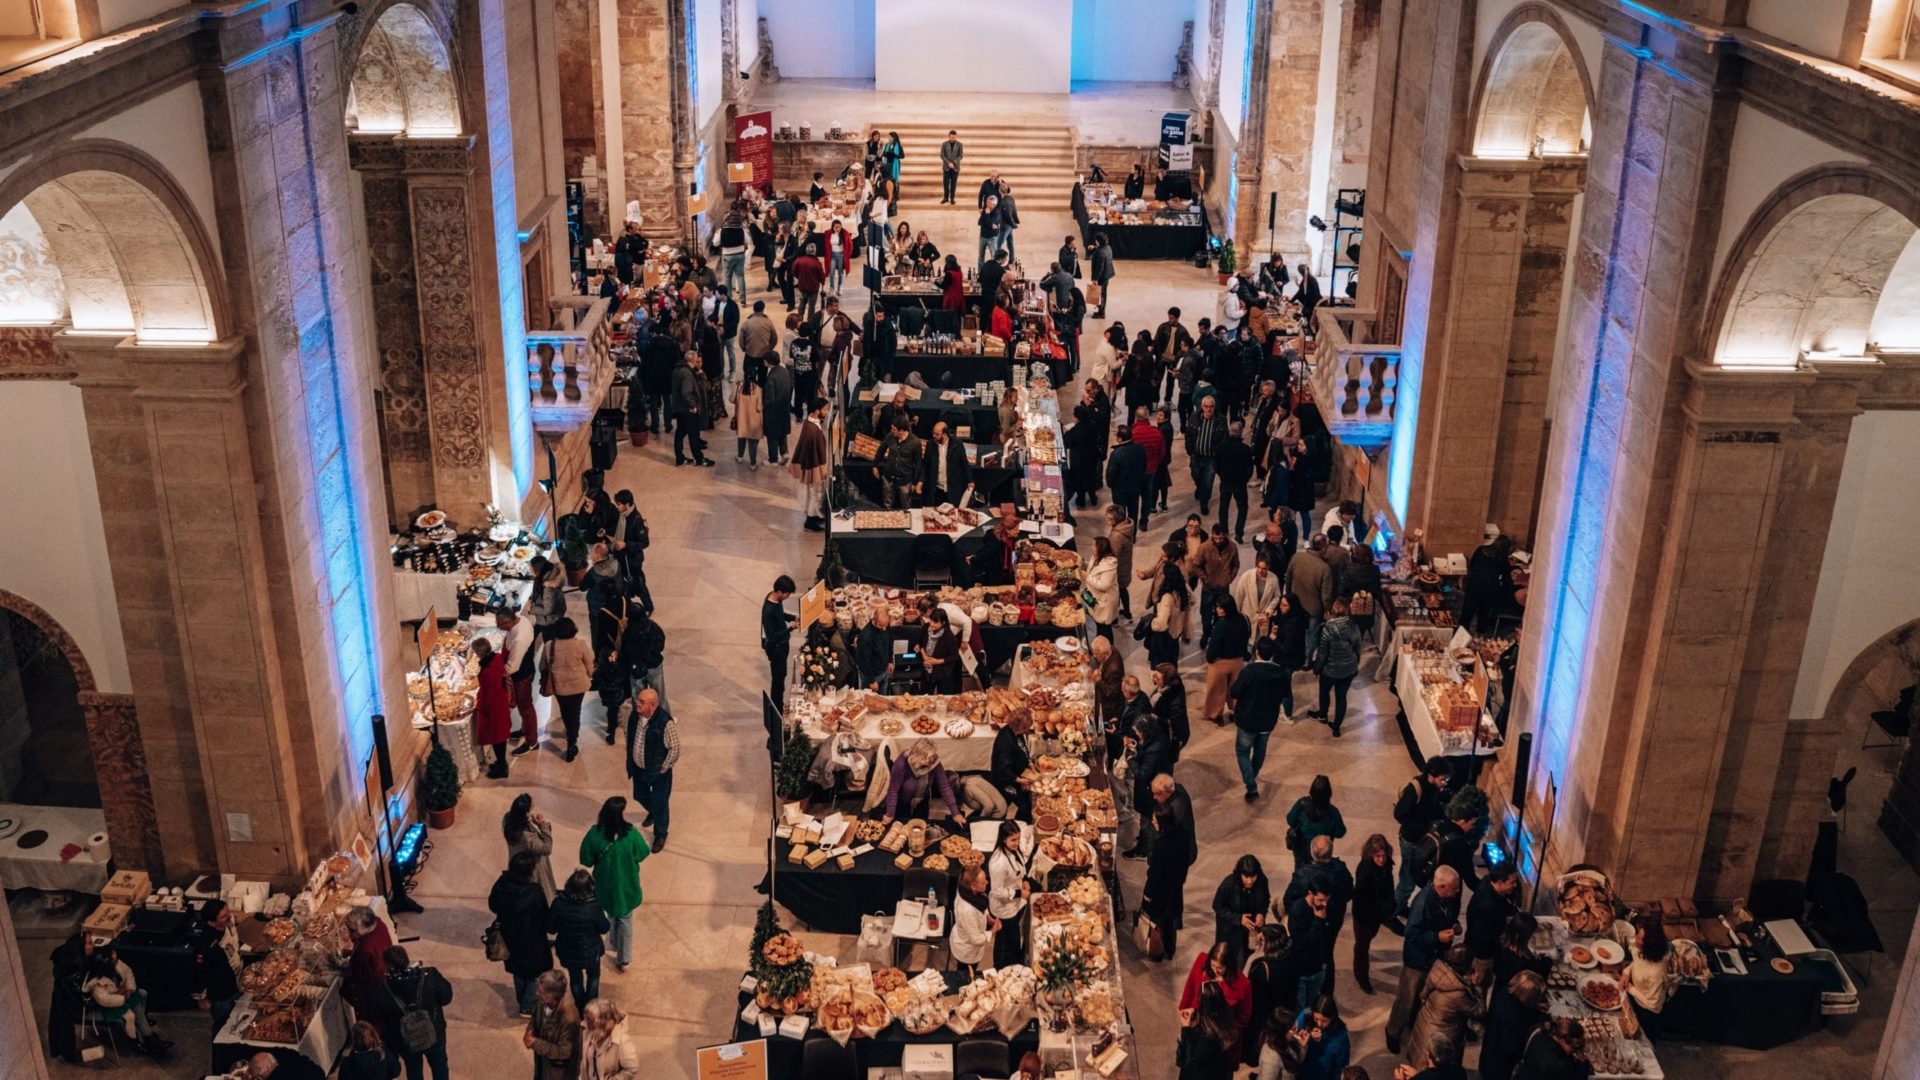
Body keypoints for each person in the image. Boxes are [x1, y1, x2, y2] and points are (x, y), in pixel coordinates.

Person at [1387, 865, 1464, 1053]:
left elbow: (1449, 916)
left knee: (1421, 996)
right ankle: (1393, 1032)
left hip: (1434, 957)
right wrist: (1436, 937)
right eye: (1455, 888)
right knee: (1406, 999)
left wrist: (1454, 924)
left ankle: (1412, 1023)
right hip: (1417, 961)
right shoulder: (1421, 904)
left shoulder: (1449, 898)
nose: (1458, 891)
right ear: (1442, 886)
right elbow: (1411, 934)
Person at [579, 795, 651, 973]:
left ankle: (613, 941)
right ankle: (624, 958)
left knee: (610, 914)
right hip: (627, 885)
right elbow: (642, 853)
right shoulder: (631, 834)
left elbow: (586, 859)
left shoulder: (594, 834)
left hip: (604, 885)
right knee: (625, 920)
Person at [488, 850, 553, 1016]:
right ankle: (527, 1005)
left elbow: (493, 905)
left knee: (517, 969)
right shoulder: (535, 891)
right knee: (535, 973)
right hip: (533, 939)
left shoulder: (502, 884)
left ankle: (521, 999)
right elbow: (544, 916)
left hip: (509, 936)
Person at [1225, 637, 1287, 799]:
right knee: (1260, 750)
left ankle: (1251, 785)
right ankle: (1253, 773)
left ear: (1257, 653)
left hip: (1247, 719)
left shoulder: (1249, 671)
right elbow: (1286, 694)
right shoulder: (1281, 672)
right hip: (1268, 720)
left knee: (1242, 751)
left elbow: (1235, 692)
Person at [1404, 943, 1482, 1070]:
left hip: (1425, 1025)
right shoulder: (1458, 994)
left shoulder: (1438, 969)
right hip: (1441, 1035)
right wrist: (1476, 986)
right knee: (1429, 1070)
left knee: (1418, 1060)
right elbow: (1479, 1011)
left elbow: (1423, 995)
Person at [82, 944, 169, 1055]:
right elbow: (104, 999)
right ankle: (136, 1043)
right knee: (130, 1016)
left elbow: (128, 973)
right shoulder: (97, 980)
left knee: (142, 994)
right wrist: (122, 997)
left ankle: (148, 1033)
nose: (114, 955)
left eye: (113, 952)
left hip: (124, 994)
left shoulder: (118, 964)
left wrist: (129, 989)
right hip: (111, 1005)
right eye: (111, 954)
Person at [382, 945, 452, 1080]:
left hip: (406, 1041)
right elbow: (446, 997)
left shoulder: (384, 989)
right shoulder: (430, 976)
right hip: (434, 1032)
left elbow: (386, 1022)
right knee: (440, 1066)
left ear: (389, 966)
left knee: (414, 1070)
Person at [1393, 762, 1451, 919]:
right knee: (1407, 879)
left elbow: (1432, 809)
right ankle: (1393, 913)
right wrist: (1422, 830)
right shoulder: (1416, 788)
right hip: (1411, 841)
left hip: (1422, 840)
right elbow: (1399, 814)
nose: (1445, 783)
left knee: (1413, 876)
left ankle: (1400, 905)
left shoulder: (1434, 789)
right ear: (1431, 776)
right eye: (1442, 779)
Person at [623, 689, 679, 850]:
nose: (637, 704)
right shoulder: (635, 716)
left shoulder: (664, 723)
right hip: (639, 767)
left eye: (641, 702)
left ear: (652, 705)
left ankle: (661, 833)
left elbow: (674, 747)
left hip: (658, 771)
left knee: (660, 802)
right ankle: (654, 812)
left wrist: (664, 766)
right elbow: (628, 732)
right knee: (639, 795)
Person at [547, 868, 611, 1010]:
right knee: (593, 978)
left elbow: (550, 928)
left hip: (568, 951)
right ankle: (591, 1007)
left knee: (575, 979)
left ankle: (581, 1006)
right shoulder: (594, 906)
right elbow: (604, 928)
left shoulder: (559, 903)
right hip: (591, 951)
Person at [1141, 801, 1192, 959]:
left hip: (1161, 892)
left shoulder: (1160, 846)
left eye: (1155, 821)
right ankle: (1170, 949)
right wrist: (1182, 877)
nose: (1153, 823)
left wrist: (1147, 894)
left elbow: (1155, 874)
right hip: (1175, 887)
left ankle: (1157, 952)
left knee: (1158, 922)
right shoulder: (1182, 834)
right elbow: (1186, 859)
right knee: (1171, 921)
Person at [540, 618, 595, 762]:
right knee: (575, 711)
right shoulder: (580, 644)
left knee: (565, 710)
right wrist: (589, 676)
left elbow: (543, 667)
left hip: (559, 686)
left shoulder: (549, 645)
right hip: (578, 685)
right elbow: (589, 664)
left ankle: (569, 729)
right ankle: (572, 741)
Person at [1349, 834, 1396, 995]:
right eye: (1377, 856)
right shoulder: (1364, 870)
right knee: (1362, 947)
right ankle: (1361, 976)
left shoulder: (1386, 865)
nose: (1381, 860)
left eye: (1383, 856)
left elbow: (1388, 886)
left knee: (1368, 939)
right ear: (1370, 855)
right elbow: (1361, 896)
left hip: (1377, 914)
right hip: (1364, 915)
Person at [1308, 598, 1363, 736]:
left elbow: (1323, 653)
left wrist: (1316, 669)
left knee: (1324, 692)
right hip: (1348, 668)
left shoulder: (1328, 628)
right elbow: (1358, 647)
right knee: (1341, 697)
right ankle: (1337, 727)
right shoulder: (1354, 626)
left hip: (1329, 670)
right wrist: (1356, 664)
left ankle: (1322, 715)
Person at [1481, 970, 1549, 1080]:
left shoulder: (1506, 993)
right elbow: (1511, 1047)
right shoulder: (1513, 1018)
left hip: (1490, 1049)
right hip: (1498, 1065)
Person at [192, 900, 243, 1032]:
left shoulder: (228, 922)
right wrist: (201, 999)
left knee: (240, 1018)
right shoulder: (206, 944)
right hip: (222, 993)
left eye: (228, 912)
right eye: (224, 916)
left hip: (237, 982)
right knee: (223, 1025)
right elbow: (198, 972)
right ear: (211, 922)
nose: (229, 916)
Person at [1212, 855, 1271, 970]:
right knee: (1233, 963)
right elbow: (1217, 906)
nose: (1250, 881)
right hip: (1231, 932)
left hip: (1251, 931)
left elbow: (1265, 899)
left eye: (1253, 876)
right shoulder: (1229, 884)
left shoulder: (1262, 881)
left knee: (1250, 959)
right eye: (1246, 877)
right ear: (1239, 874)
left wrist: (1261, 913)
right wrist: (1238, 919)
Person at [987, 820, 1032, 969]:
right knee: (1005, 941)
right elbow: (997, 892)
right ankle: (1000, 967)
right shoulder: (998, 864)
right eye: (1013, 839)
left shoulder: (1013, 850)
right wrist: (1020, 893)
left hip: (1013, 904)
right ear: (1003, 839)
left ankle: (1012, 963)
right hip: (1004, 909)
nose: (1017, 842)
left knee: (1009, 938)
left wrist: (1023, 880)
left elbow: (1019, 868)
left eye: (1018, 838)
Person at [1202, 591, 1251, 725]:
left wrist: (1210, 658)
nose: (1217, 609)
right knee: (1235, 689)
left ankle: (1216, 714)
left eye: (1220, 607)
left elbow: (1214, 646)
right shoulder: (1243, 619)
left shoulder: (1221, 625)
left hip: (1220, 662)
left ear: (1227, 608)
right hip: (1238, 661)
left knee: (1217, 690)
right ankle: (1236, 712)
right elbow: (1246, 637)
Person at [1468, 863, 1522, 981]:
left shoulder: (1488, 881)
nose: (1515, 885)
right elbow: (1483, 938)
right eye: (1511, 883)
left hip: (1478, 946)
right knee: (1480, 984)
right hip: (1482, 956)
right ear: (1500, 882)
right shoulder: (1488, 907)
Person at [1623, 917, 1675, 1040]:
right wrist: (1626, 972)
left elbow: (1653, 1005)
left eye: (1639, 938)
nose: (1635, 938)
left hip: (1646, 1012)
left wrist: (1631, 989)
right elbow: (1638, 962)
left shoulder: (1656, 973)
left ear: (1649, 945)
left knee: (1641, 1041)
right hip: (1635, 997)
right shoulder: (1642, 950)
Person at [1179, 980, 1243, 1080]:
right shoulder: (1223, 1016)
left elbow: (1193, 1059)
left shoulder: (1209, 1034)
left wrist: (1185, 1029)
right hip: (1218, 1068)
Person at [343, 907, 395, 1029]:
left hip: (373, 990)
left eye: (351, 930)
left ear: (363, 929)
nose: (349, 932)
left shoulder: (364, 950)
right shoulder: (378, 923)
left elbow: (359, 977)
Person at [526, 970, 582, 1080]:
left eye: (541, 992)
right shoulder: (543, 1001)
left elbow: (564, 1052)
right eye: (538, 989)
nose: (537, 993)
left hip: (558, 1072)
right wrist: (530, 1029)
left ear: (554, 994)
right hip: (544, 1064)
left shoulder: (569, 1017)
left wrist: (536, 1044)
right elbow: (534, 1018)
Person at [1286, 776, 1348, 872]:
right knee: (1320, 876)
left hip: (1301, 849)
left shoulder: (1302, 804)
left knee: (1300, 873)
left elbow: (1290, 820)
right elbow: (1340, 832)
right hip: (1322, 851)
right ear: (1329, 793)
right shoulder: (1333, 812)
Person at [470, 638, 513, 778]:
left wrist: (479, 706)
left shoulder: (488, 671)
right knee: (500, 736)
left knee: (497, 737)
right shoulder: (497, 658)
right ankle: (501, 762)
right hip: (500, 702)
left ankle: (502, 767)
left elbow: (487, 695)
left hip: (494, 708)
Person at [502, 794, 557, 901]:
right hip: (531, 868)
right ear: (525, 812)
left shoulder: (510, 819)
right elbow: (546, 849)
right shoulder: (526, 836)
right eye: (531, 808)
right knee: (539, 894)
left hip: (517, 863)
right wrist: (543, 826)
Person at [1284, 535, 1334, 649]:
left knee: (1296, 629)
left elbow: (1288, 579)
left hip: (1295, 602)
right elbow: (1326, 595)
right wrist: (1328, 610)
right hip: (1314, 609)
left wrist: (1288, 596)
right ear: (1323, 548)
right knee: (1312, 634)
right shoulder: (1325, 568)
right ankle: (1307, 660)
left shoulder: (1296, 557)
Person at [1145, 544, 1191, 667]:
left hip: (1165, 633)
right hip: (1175, 631)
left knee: (1161, 662)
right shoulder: (1180, 592)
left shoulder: (1167, 598)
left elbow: (1160, 624)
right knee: (1172, 658)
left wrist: (1152, 623)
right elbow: (1191, 598)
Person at [608, 490, 652, 614]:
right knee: (622, 584)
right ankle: (627, 607)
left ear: (627, 505)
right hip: (621, 556)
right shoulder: (621, 515)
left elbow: (644, 542)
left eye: (619, 504)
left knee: (639, 583)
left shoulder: (636, 520)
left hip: (632, 559)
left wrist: (626, 544)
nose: (616, 507)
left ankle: (648, 607)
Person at [952, 864, 998, 981]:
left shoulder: (966, 891)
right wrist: (993, 931)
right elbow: (976, 939)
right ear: (973, 886)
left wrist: (988, 917)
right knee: (966, 975)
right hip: (967, 950)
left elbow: (981, 905)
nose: (987, 883)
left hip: (967, 934)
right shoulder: (967, 910)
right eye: (983, 883)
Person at [1291, 996, 1352, 1080]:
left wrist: (1323, 1039)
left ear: (1332, 1017)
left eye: (1324, 1021)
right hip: (1301, 1074)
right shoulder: (1305, 1017)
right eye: (1316, 1019)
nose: (1319, 1024)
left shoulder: (1340, 1036)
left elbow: (1340, 1066)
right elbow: (1291, 1039)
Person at [670, 347, 712, 466]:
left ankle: (680, 458)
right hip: (687, 409)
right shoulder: (687, 373)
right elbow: (686, 392)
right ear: (692, 361)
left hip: (679, 408)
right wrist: (693, 405)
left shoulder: (677, 370)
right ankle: (700, 459)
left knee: (680, 433)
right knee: (694, 434)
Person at [577, 999, 639, 1080]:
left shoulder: (622, 1040)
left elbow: (632, 1069)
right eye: (586, 1018)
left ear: (602, 1021)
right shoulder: (588, 1032)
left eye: (590, 1020)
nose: (585, 1022)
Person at [792, 399, 830, 531]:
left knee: (813, 493)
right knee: (814, 493)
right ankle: (810, 522)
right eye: (825, 409)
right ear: (817, 411)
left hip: (811, 465)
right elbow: (816, 451)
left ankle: (815, 517)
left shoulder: (810, 423)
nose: (827, 412)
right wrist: (821, 469)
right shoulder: (812, 429)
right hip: (814, 466)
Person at [1514, 1017, 1592, 1079]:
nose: (1575, 1051)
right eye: (1575, 1047)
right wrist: (1583, 1064)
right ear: (1562, 1040)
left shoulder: (1538, 1030)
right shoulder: (1561, 1065)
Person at [1186, 394, 1225, 515]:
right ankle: (1199, 486)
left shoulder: (1221, 420)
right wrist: (1189, 450)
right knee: (1196, 475)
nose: (1209, 409)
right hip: (1196, 455)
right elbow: (1189, 434)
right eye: (1206, 406)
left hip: (1211, 458)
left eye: (1211, 406)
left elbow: (1224, 438)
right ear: (1202, 406)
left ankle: (1204, 503)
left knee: (1208, 482)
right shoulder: (1194, 416)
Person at [1216, 419, 1254, 540]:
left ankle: (1224, 530)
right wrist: (1245, 479)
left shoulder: (1221, 447)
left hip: (1226, 482)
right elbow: (1249, 468)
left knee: (1223, 507)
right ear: (1241, 432)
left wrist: (1222, 475)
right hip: (1240, 484)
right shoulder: (1246, 449)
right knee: (1242, 508)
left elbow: (1216, 465)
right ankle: (1239, 533)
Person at [762, 575, 797, 701]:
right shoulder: (769, 610)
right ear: (779, 592)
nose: (787, 597)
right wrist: (790, 628)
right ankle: (777, 710)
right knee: (778, 682)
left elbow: (780, 615)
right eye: (787, 594)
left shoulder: (776, 599)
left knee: (782, 676)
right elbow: (771, 637)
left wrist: (792, 618)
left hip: (782, 646)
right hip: (776, 649)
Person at [1231, 555, 1284, 639]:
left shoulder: (1273, 579)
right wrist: (1236, 616)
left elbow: (1277, 596)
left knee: (1260, 641)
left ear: (1268, 568)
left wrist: (1270, 609)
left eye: (1264, 569)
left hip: (1263, 618)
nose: (1260, 571)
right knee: (1247, 639)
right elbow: (1239, 596)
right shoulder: (1246, 576)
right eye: (1258, 567)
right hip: (1248, 615)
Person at [878, 415, 924, 509]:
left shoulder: (915, 442)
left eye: (894, 429)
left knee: (906, 506)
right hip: (888, 477)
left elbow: (918, 463)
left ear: (902, 431)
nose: (891, 431)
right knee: (887, 505)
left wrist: (915, 483)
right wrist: (874, 464)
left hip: (905, 481)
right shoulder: (891, 436)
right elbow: (881, 448)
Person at [921, 420, 970, 506]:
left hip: (952, 488)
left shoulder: (957, 444)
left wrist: (970, 480)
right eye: (933, 433)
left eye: (937, 434)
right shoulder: (930, 444)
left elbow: (964, 463)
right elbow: (925, 465)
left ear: (944, 434)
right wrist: (920, 481)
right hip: (936, 489)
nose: (934, 436)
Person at [1083, 536, 1122, 640]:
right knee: (1098, 626)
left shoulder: (1109, 565)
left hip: (1104, 602)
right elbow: (1093, 570)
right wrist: (1083, 565)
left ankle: (1108, 651)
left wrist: (1087, 577)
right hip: (1094, 597)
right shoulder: (1096, 557)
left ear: (1100, 548)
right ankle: (1099, 645)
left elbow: (1104, 586)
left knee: (1104, 628)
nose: (1091, 547)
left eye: (1093, 545)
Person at [1251, 1007, 1302, 1080]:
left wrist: (1302, 1046)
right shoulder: (1271, 1058)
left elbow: (1297, 1060)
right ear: (1281, 1032)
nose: (1296, 1032)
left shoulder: (1287, 1041)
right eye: (1293, 1029)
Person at [921, 606, 963, 692]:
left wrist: (936, 661)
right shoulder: (925, 628)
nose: (932, 624)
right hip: (926, 668)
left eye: (935, 622)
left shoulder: (949, 637)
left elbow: (954, 656)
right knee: (925, 695)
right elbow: (920, 643)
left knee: (943, 696)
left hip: (942, 671)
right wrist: (925, 657)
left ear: (943, 623)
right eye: (931, 620)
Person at [791, 243, 825, 321]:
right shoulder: (817, 263)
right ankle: (810, 321)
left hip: (802, 286)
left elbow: (793, 271)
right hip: (813, 288)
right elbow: (821, 276)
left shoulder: (799, 260)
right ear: (814, 251)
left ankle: (799, 318)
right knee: (811, 306)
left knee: (802, 302)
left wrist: (799, 277)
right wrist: (822, 282)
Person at [1090, 232, 1114, 318]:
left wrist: (1095, 279)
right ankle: (1100, 310)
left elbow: (1099, 268)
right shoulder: (1107, 248)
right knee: (1103, 294)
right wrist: (1095, 247)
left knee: (1101, 295)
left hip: (1102, 277)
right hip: (1107, 275)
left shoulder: (1101, 253)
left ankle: (1101, 313)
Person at [940, 129, 964, 203]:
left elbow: (960, 156)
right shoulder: (944, 144)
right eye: (951, 137)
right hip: (946, 167)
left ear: (956, 137)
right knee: (946, 184)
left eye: (954, 137)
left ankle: (952, 198)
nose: (952, 138)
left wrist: (953, 163)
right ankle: (946, 198)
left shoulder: (960, 145)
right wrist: (948, 163)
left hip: (955, 168)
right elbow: (942, 155)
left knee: (953, 183)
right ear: (949, 137)